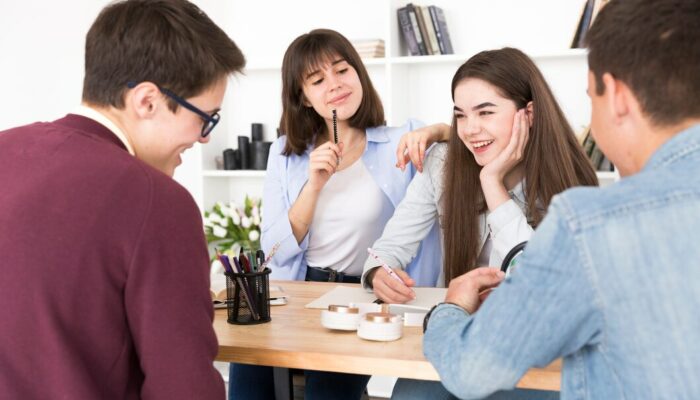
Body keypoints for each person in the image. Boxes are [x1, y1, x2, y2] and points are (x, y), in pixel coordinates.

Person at [422, 0, 700, 398]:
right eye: (460, 116)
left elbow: (473, 368)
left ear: (618, 97)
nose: (470, 129)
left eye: (591, 96)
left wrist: (448, 311)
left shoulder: (592, 224)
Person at [0, 1, 245, 399]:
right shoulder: (159, 201)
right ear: (147, 101)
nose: (204, 138)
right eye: (206, 117)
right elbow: (184, 388)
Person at [360, 47, 598, 399]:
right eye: (461, 115)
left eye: (486, 112)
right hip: (458, 337)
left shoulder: (569, 182)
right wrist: (378, 274)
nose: (471, 130)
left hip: (534, 353)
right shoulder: (442, 165)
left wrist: (492, 182)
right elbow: (386, 249)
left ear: (527, 114)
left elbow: (530, 283)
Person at [227, 28, 445, 400]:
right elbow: (273, 247)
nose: (335, 84)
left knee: (328, 391)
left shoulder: (402, 140)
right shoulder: (285, 153)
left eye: (342, 70)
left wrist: (439, 130)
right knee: (247, 374)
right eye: (317, 79)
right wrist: (313, 186)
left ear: (358, 73)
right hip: (297, 291)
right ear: (304, 98)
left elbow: (471, 142)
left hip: (363, 294)